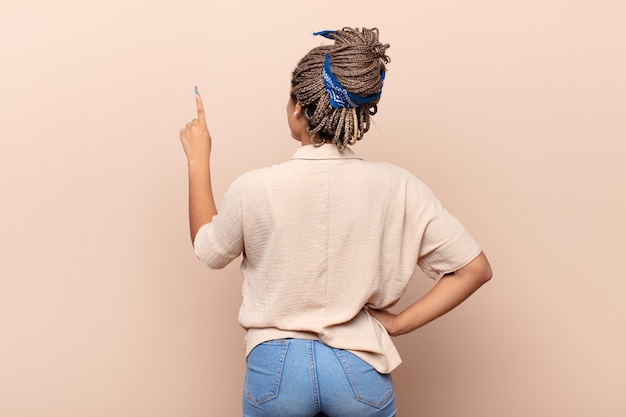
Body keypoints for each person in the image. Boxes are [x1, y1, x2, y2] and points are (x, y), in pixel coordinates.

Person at [179, 27, 492, 417]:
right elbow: (474, 269)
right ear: (358, 112)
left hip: (276, 371)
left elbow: (208, 250)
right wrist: (396, 324)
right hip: (358, 366)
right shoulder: (399, 185)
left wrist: (198, 159)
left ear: (297, 106)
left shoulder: (255, 187)